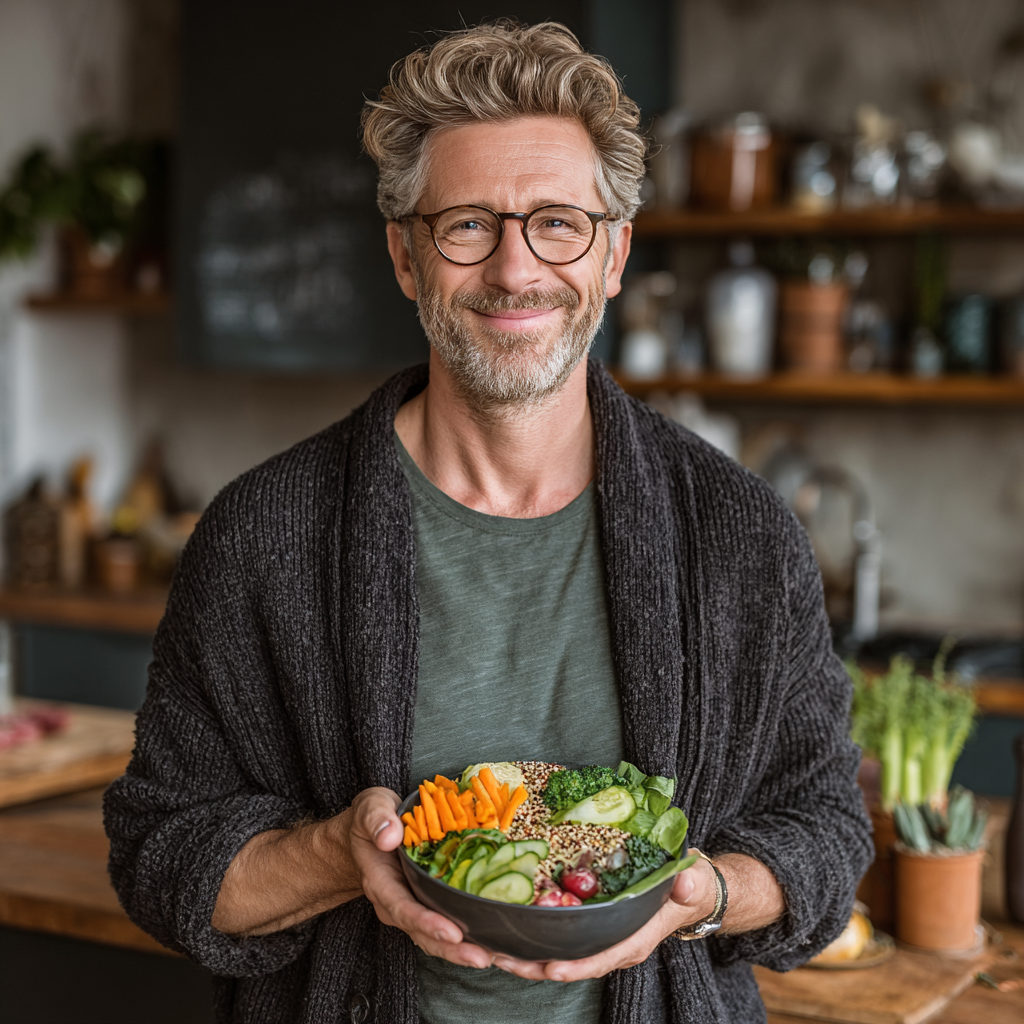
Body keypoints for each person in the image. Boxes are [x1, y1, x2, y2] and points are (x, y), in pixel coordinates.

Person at [105, 21, 872, 1024]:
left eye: (559, 223)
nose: (515, 271)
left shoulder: (737, 535)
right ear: (406, 256)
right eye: (468, 224)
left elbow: (824, 829)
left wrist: (706, 894)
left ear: (613, 256)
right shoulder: (264, 537)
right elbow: (164, 855)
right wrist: (339, 855)